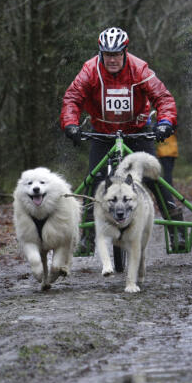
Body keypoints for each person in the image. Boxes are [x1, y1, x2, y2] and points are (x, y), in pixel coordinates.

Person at [61, 26, 179, 249]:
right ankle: (87, 234)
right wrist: (71, 124)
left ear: (125, 52)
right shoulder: (89, 70)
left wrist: (164, 123)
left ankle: (176, 228)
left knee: (153, 177)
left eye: (116, 54)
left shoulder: (139, 69)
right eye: (107, 55)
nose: (112, 59)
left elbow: (163, 98)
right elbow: (72, 99)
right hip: (103, 133)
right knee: (94, 180)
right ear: (100, 53)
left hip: (137, 131)